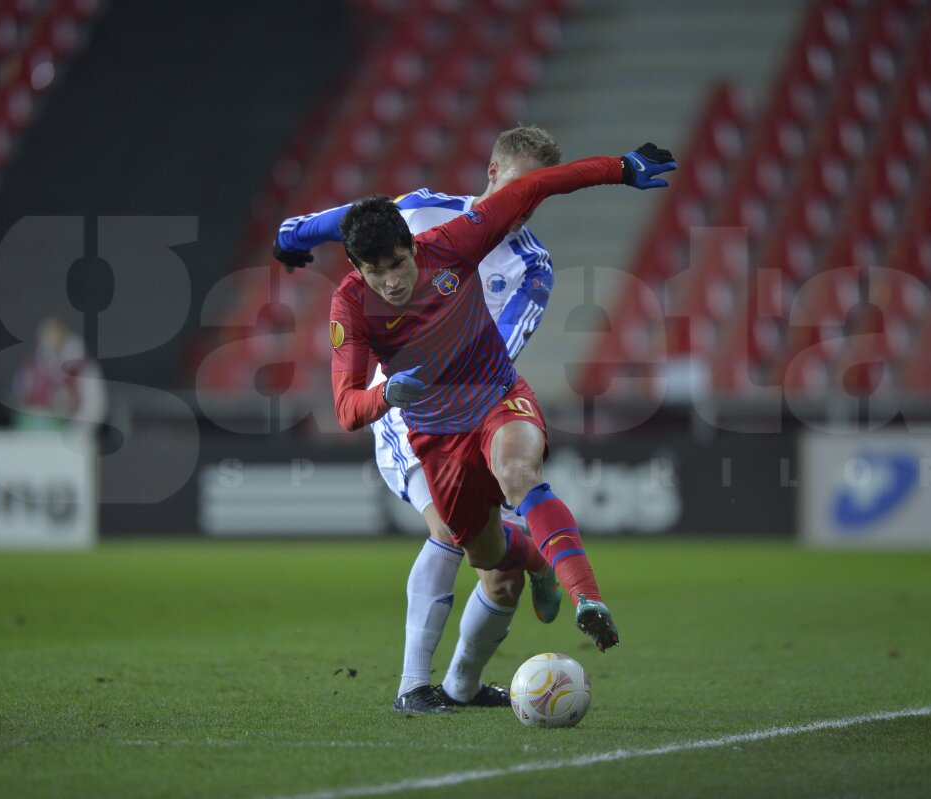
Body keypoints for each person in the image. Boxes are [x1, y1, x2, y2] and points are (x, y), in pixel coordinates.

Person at [326, 144, 677, 708]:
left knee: (518, 472)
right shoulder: (349, 306)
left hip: (496, 397)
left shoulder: (454, 242)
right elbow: (346, 408)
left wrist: (622, 168)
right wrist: (385, 394)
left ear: (412, 245)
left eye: (397, 263)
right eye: (375, 272)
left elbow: (533, 187)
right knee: (487, 558)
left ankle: (585, 597)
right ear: (356, 268)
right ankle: (535, 559)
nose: (391, 281)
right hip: (436, 438)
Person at [275, 126, 566, 713]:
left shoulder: (533, 266)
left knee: (499, 577)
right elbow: (354, 221)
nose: (527, 201)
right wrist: (292, 236)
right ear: (493, 173)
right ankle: (412, 686)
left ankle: (462, 685)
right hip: (405, 407)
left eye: (540, 192)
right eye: (521, 185)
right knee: (449, 532)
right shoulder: (425, 212)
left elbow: (502, 349)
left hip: (474, 408)